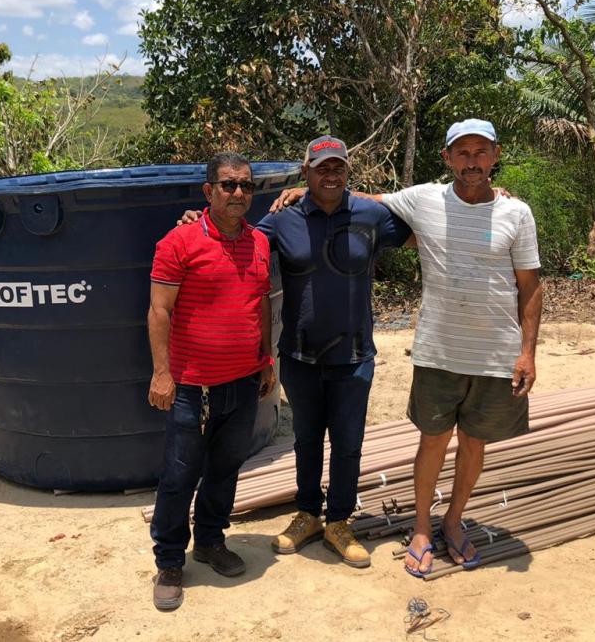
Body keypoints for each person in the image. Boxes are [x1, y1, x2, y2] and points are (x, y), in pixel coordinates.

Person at [273, 118, 543, 577]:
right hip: (423, 350)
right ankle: (387, 524)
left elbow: (530, 285)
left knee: (461, 444)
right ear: (447, 158)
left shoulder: (516, 213)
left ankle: (427, 522)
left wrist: (528, 352)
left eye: (481, 152)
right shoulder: (419, 199)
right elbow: (363, 204)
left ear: (495, 155)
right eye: (463, 152)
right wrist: (296, 193)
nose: (472, 161)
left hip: (484, 353)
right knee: (407, 441)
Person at [181, 135, 412, 569]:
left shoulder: (371, 215)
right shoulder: (281, 220)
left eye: (338, 167)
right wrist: (196, 220)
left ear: (347, 173)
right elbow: (231, 235)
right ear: (305, 173)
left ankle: (340, 521)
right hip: (301, 357)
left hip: (354, 355)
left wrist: (485, 198)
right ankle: (307, 514)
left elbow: (426, 228)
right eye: (321, 168)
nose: (331, 175)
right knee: (305, 440)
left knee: (348, 444)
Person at [147, 151, 277, 611]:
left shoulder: (259, 243)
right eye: (228, 184)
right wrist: (162, 373)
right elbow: (159, 309)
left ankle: (210, 542)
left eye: (246, 185)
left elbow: (259, 304)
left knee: (225, 470)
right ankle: (169, 561)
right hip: (190, 387)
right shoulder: (179, 242)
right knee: (180, 476)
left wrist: (266, 359)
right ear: (209, 191)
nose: (239, 193)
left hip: (242, 383)